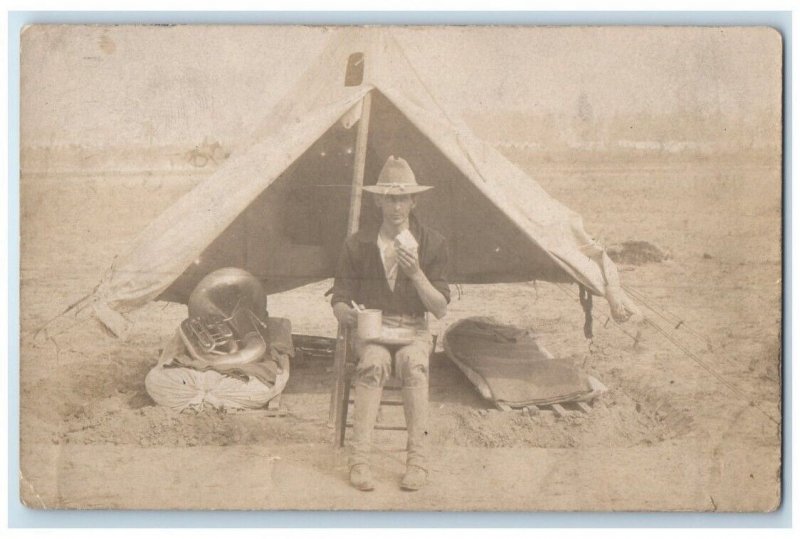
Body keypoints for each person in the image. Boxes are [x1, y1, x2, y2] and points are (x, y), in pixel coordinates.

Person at [330, 156, 450, 492]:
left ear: (414, 201)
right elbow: (339, 298)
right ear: (377, 200)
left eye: (402, 198)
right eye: (388, 198)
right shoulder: (359, 243)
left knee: (414, 364)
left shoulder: (432, 243)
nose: (395, 206)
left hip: (414, 328)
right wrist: (347, 314)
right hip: (373, 331)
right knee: (372, 363)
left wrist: (416, 273)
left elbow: (439, 308)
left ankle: (418, 462)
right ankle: (360, 462)